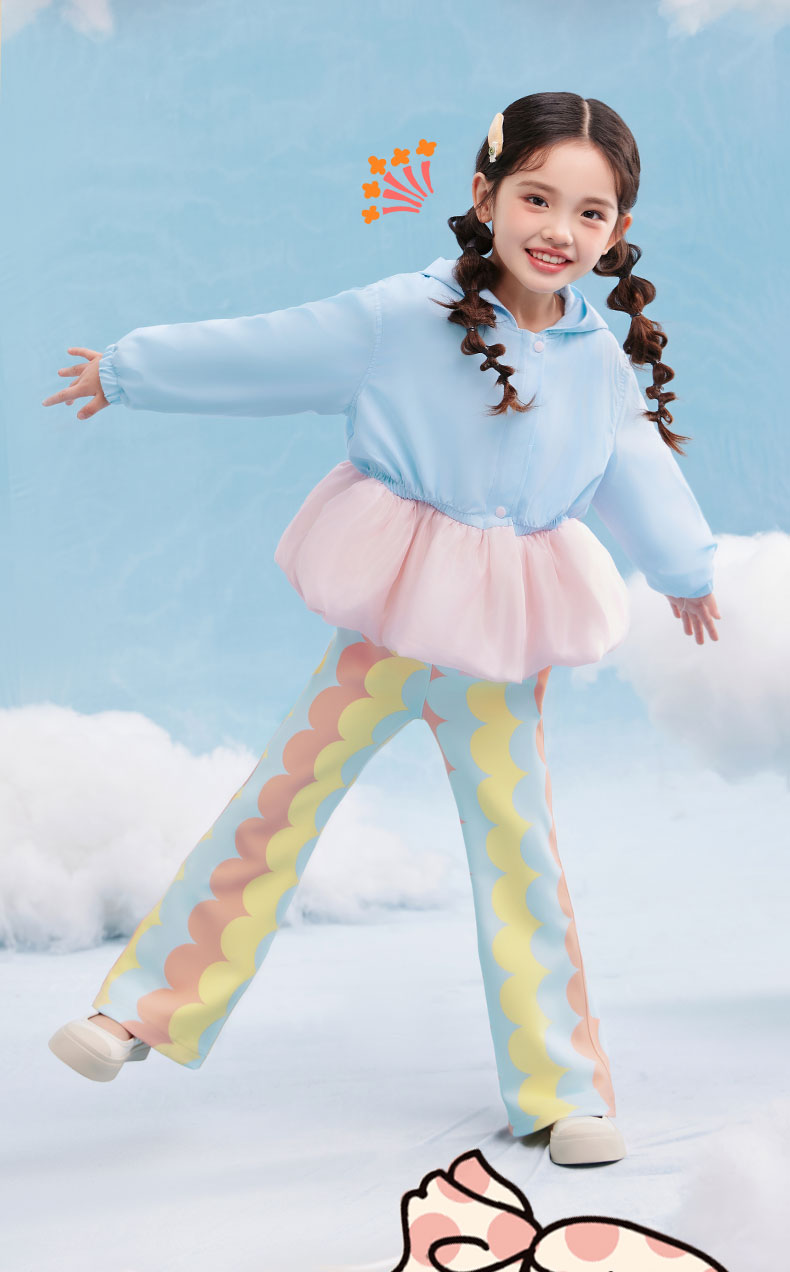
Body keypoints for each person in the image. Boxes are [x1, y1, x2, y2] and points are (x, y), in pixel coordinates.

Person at [43, 93, 720, 1168]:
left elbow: (635, 462)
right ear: (484, 196)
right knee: (277, 804)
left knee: (520, 855)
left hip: (501, 646)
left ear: (618, 230)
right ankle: (141, 1011)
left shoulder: (597, 358)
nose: (558, 229)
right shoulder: (402, 316)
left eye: (589, 213)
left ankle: (561, 1090)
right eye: (537, 198)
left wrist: (685, 570)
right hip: (391, 624)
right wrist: (131, 370)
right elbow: (267, 349)